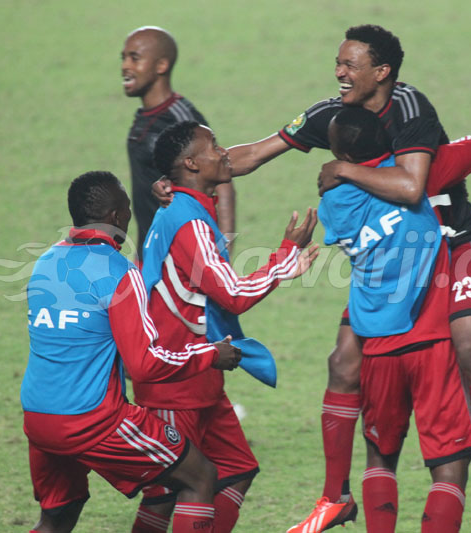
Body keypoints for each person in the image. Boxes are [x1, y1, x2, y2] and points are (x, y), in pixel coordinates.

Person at [154, 24, 471, 526]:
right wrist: (181, 177)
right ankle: (334, 496)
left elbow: (412, 187)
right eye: (338, 62)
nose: (339, 73)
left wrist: (345, 172)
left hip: (449, 238)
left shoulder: (410, 109)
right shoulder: (331, 114)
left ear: (382, 72)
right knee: (343, 363)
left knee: (469, 345)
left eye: (350, 65)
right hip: (392, 256)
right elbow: (255, 154)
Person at [290, 107, 471, 533]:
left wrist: (343, 170)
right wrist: (414, 166)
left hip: (376, 345)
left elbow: (345, 217)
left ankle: (338, 499)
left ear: (339, 155)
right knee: (449, 465)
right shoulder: (415, 179)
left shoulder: (334, 202)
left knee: (380, 456)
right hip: (432, 342)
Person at [21, 171, 243, 533]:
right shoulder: (120, 272)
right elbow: (144, 364)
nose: (129, 214)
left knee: (59, 515)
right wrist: (210, 356)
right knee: (199, 477)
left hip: (38, 417)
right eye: (126, 208)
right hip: (92, 419)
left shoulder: (45, 262)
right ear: (116, 218)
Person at [130, 121, 320, 533]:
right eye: (214, 146)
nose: (224, 152)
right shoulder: (189, 222)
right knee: (168, 492)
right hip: (175, 379)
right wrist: (285, 255)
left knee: (235, 469)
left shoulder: (186, 210)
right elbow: (231, 293)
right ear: (192, 163)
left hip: (201, 374)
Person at [122, 26, 235, 262]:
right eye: (124, 58)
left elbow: (222, 183)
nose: (125, 66)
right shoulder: (144, 117)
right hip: (151, 255)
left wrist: (223, 254)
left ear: (161, 66)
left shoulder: (180, 119)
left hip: (182, 259)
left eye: (135, 58)